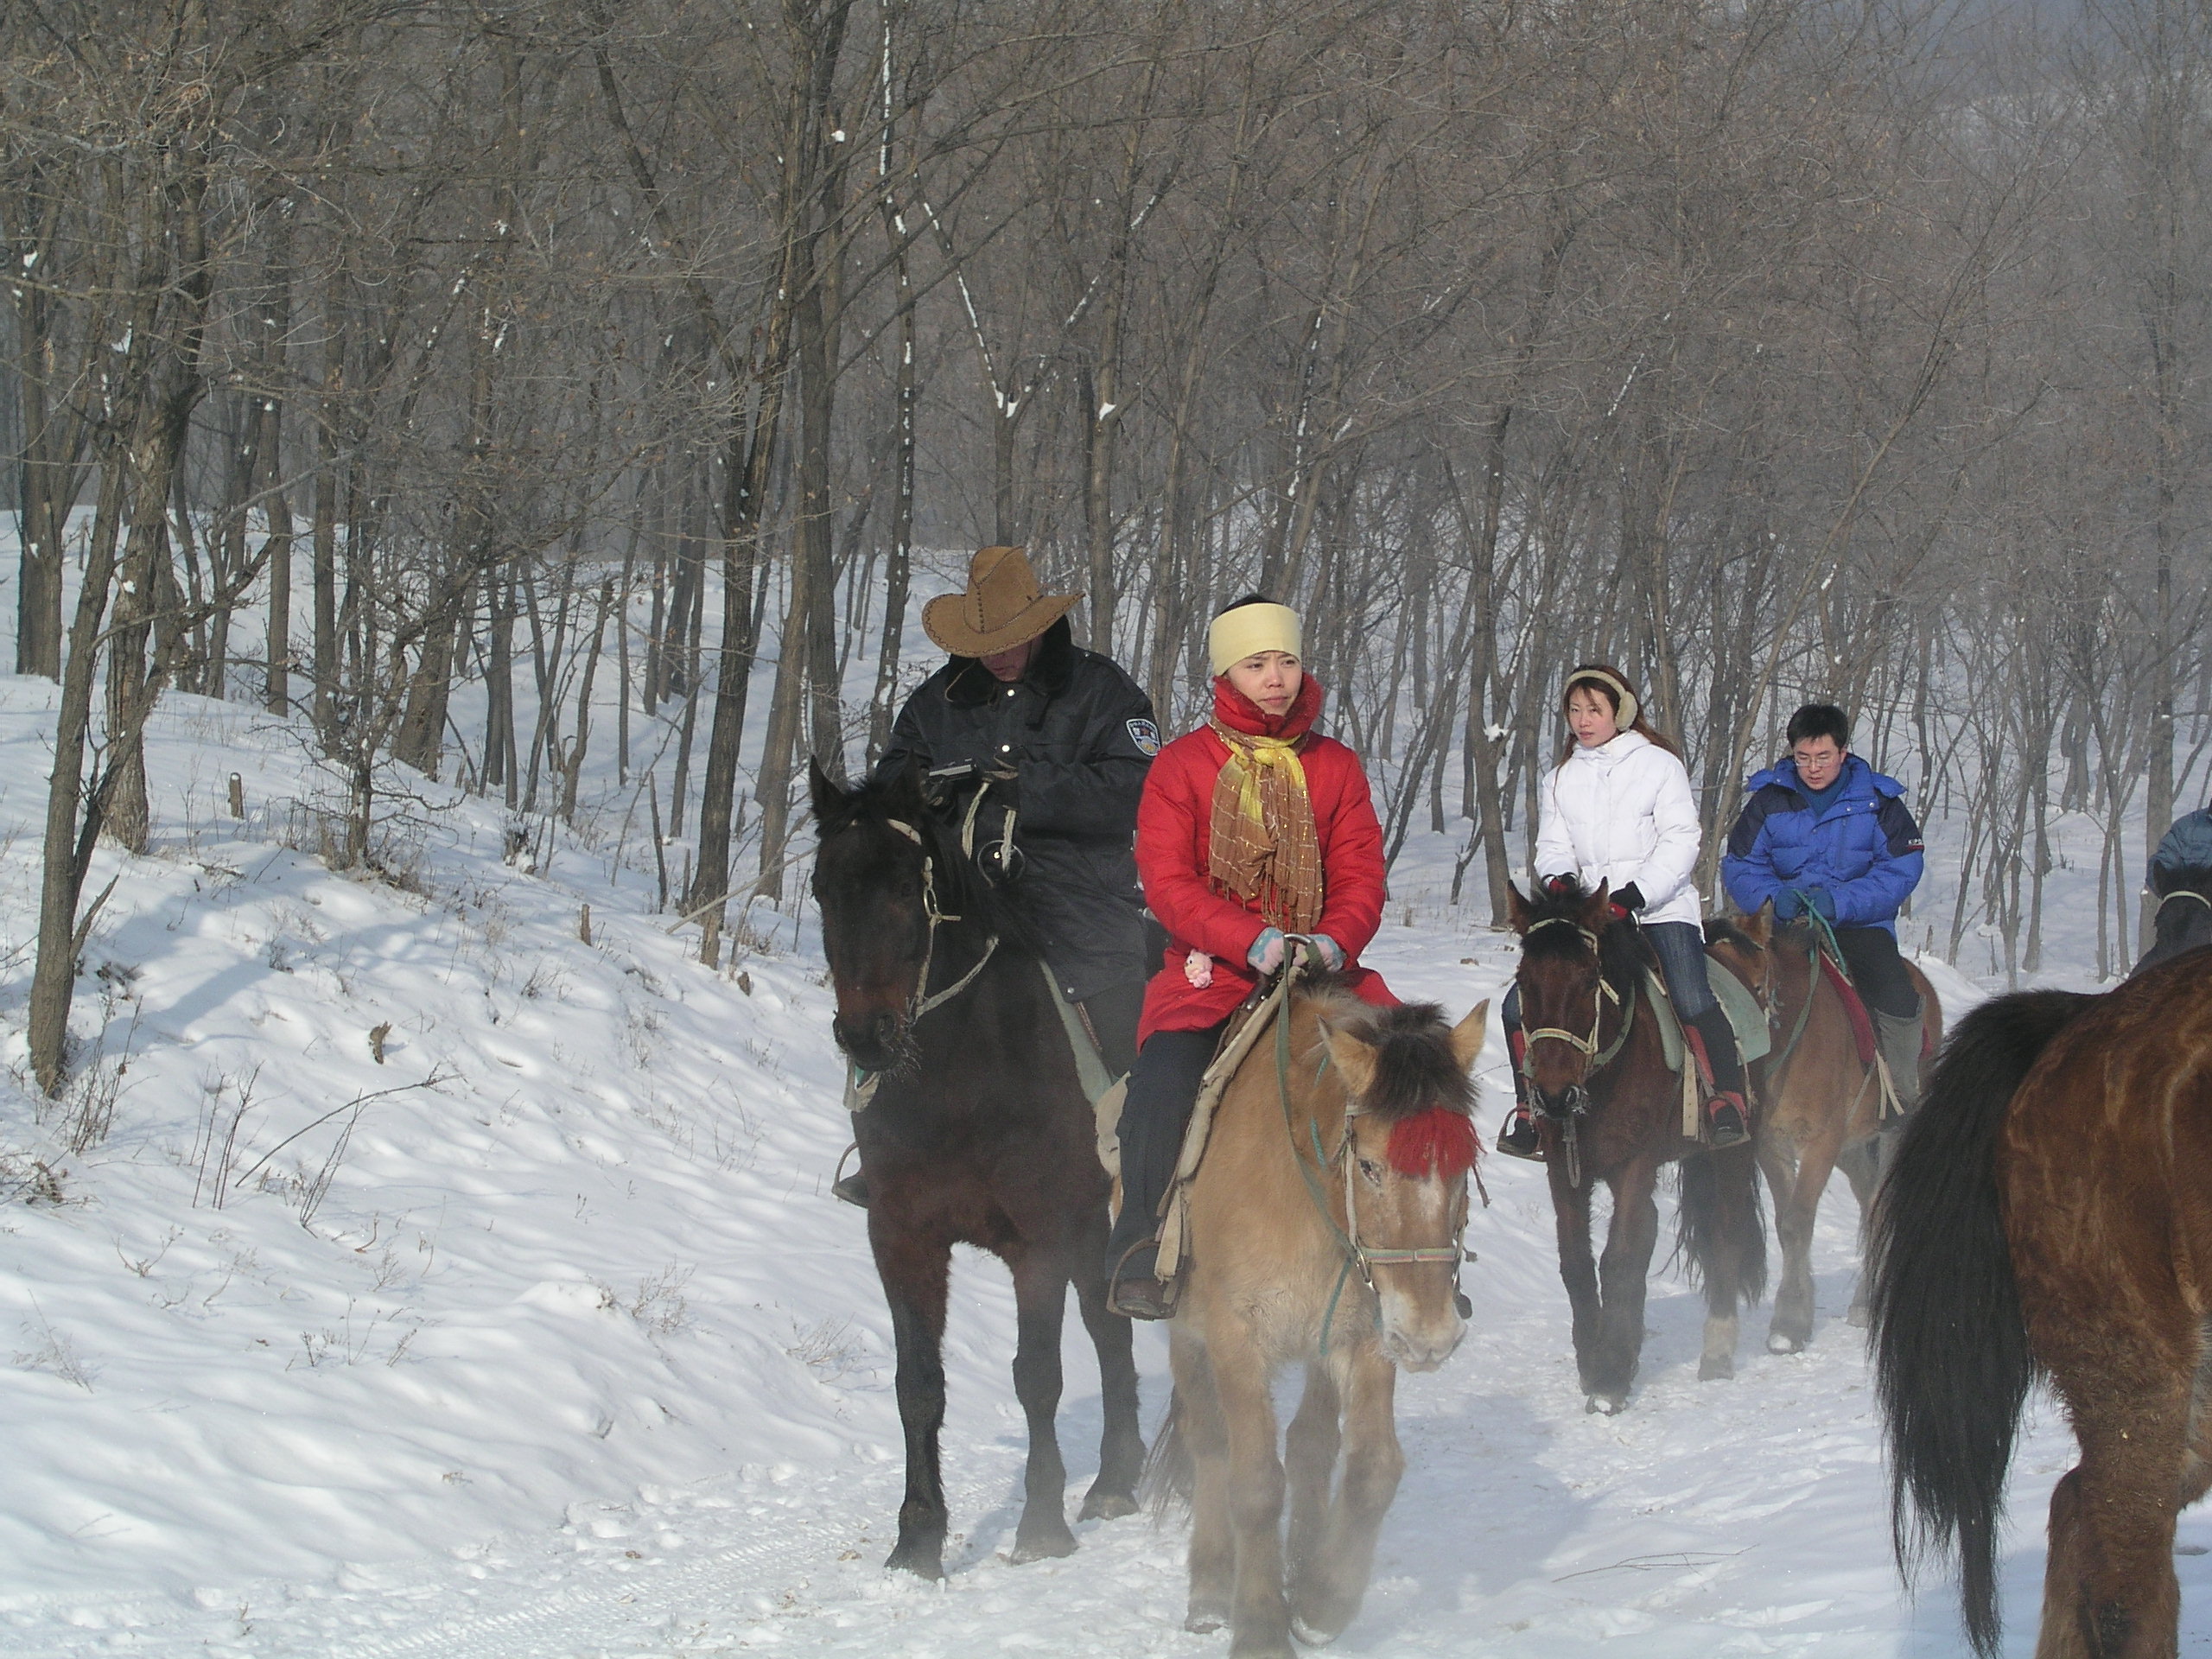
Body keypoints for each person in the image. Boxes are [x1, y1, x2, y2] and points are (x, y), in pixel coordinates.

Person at [836, 545, 1158, 1207]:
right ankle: (883, 1144)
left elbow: (1140, 786)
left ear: (1039, 627)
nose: (1000, 654)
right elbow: (890, 794)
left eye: (1012, 639)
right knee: (885, 988)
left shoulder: (1103, 690)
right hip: (962, 899)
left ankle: (1144, 1167)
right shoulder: (934, 704)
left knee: (1121, 1007)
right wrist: (928, 794)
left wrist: (1030, 790)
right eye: (985, 643)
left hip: (1077, 895)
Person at [1103, 596, 1394, 1319]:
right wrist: (1250, 940)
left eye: (1287, 661)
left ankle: (1419, 1255)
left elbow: (1362, 874)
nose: (1276, 677)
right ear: (1226, 671)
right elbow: (1166, 882)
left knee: (1413, 1074)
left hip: (1324, 970)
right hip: (1214, 972)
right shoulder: (1180, 766)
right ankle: (1142, 1246)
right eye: (1257, 663)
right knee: (1163, 1085)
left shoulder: (1336, 767)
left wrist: (1332, 940)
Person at [1496, 664, 1749, 1160]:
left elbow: (1682, 840)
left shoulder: (1659, 765)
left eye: (1595, 709)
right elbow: (1552, 844)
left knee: (1692, 994)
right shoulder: (1559, 779)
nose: (1584, 720)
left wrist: (1637, 895)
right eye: (1574, 710)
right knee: (1515, 1005)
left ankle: (1726, 1100)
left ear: (1620, 711)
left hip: (1660, 908)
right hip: (1590, 916)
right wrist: (1561, 880)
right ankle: (1531, 1109)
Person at [1721, 702, 1926, 1105]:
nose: (1813, 768)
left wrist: (1839, 902)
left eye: (1823, 758)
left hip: (1858, 927)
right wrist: (1773, 899)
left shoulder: (1879, 802)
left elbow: (1901, 869)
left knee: (1897, 995)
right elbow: (1741, 864)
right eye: (1803, 758)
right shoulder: (1768, 800)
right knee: (1732, 980)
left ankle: (1903, 1093)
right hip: (1781, 925)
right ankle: (1729, 1092)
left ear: (1843, 753)